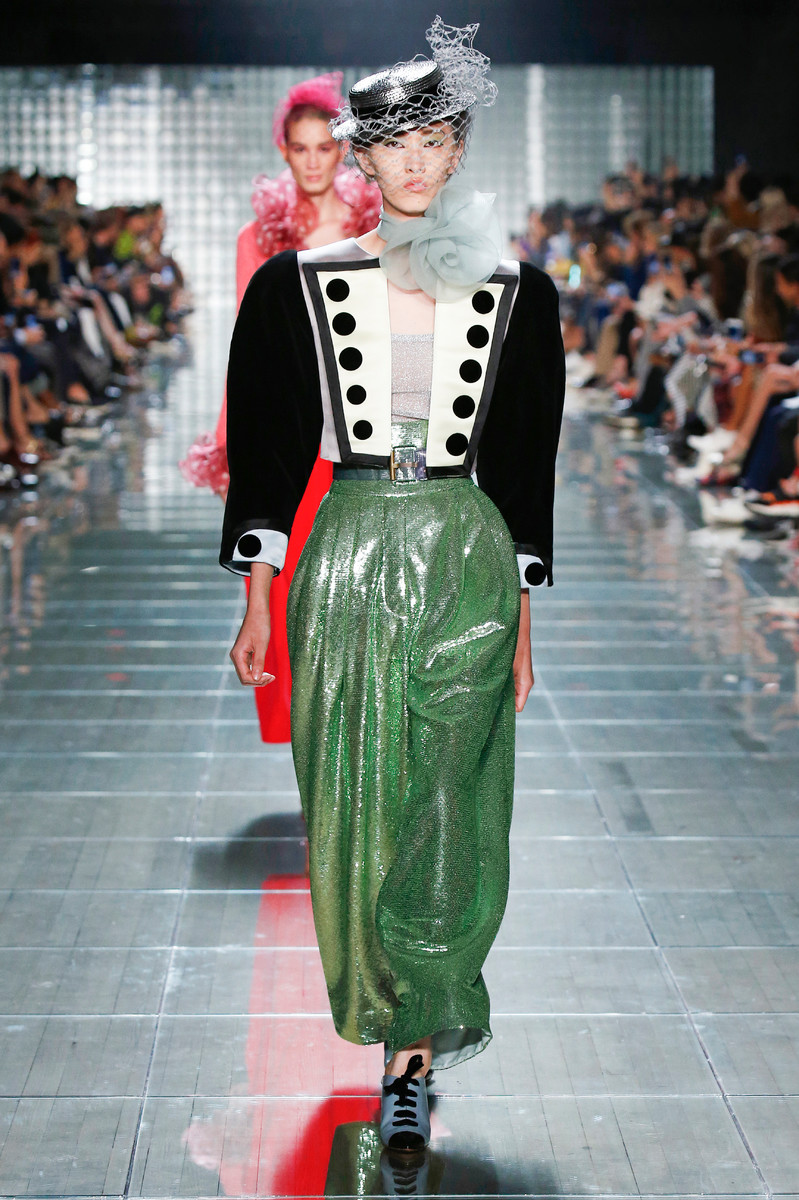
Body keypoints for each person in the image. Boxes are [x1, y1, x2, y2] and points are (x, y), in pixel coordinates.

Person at [220, 18, 565, 1152]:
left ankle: (412, 1051)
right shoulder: (297, 287)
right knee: (357, 801)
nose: (414, 161)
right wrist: (256, 595)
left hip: (466, 545)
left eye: (434, 139)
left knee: (450, 801)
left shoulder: (518, 293)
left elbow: (526, 460)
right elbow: (270, 449)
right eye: (394, 143)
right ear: (363, 157)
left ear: (457, 150)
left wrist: (523, 620)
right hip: (350, 546)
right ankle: (389, 1025)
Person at [181, 72, 380, 743]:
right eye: (301, 148)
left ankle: (353, 739)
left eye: (326, 147)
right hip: (286, 427)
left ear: (343, 150)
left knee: (351, 596)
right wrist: (230, 447)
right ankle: (309, 746)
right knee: (279, 585)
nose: (314, 161)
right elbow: (249, 354)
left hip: (355, 427)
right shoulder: (258, 237)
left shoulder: (374, 227)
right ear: (284, 152)